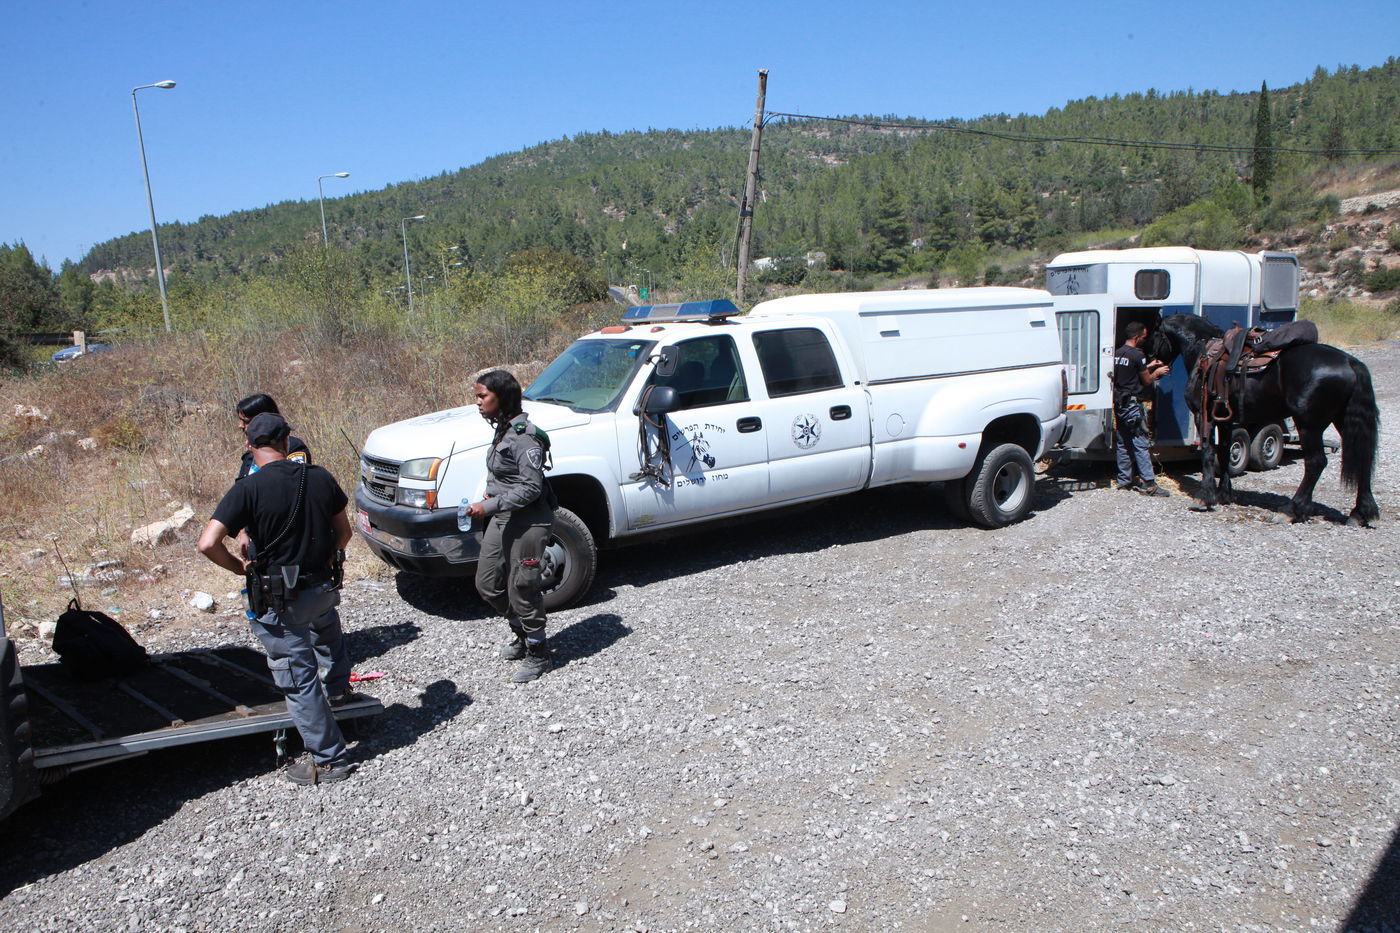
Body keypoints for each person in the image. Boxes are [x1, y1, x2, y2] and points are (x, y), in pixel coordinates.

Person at [197, 412, 356, 785]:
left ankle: (331, 760)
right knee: (327, 635)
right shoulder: (320, 478)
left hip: (279, 600)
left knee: (299, 681)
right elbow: (344, 533)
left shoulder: (246, 489)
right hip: (321, 589)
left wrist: (240, 569)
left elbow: (207, 543)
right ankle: (338, 694)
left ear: (250, 447)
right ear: (287, 442)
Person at [462, 370, 557, 683]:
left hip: (530, 520)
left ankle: (538, 652)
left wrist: (486, 505)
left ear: (501, 397)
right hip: (504, 515)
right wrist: (493, 495)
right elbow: (507, 477)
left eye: (482, 396)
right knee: (487, 583)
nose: (477, 402)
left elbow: (531, 487)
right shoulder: (502, 429)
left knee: (523, 587)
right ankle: (521, 632)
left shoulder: (524, 435)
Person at [1113, 321, 1172, 496]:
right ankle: (1149, 484)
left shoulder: (1118, 353)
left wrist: (1150, 366)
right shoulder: (1138, 355)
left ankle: (1124, 480)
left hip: (1120, 403)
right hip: (1132, 404)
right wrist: (1158, 372)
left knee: (1123, 442)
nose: (1144, 340)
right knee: (1140, 443)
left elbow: (1131, 372)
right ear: (1137, 337)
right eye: (1144, 337)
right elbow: (1146, 381)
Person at [235, 394, 310, 480]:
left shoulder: (293, 447)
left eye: (246, 421)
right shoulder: (249, 455)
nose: (240, 425)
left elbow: (298, 481)